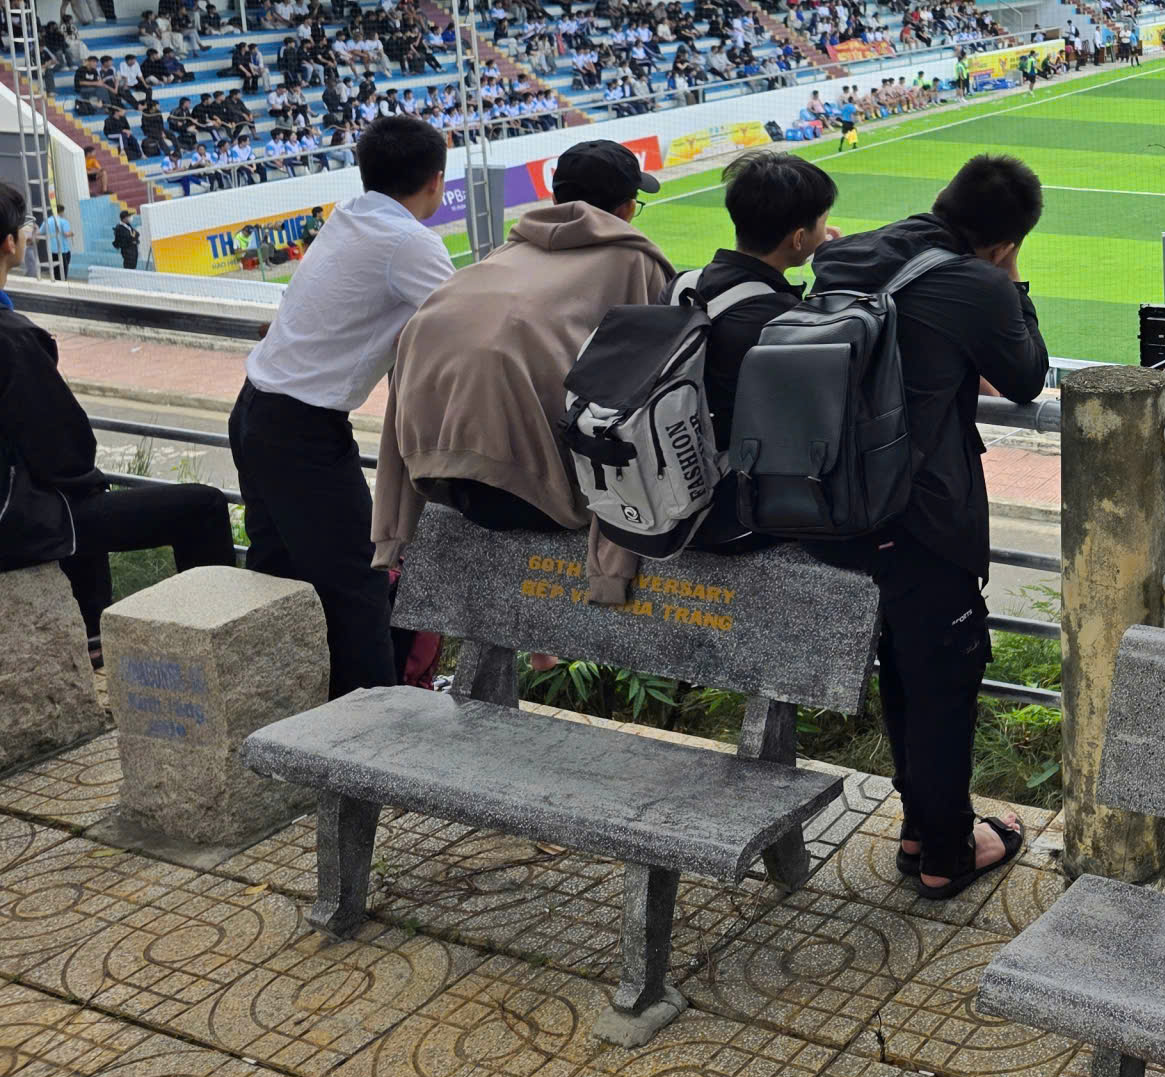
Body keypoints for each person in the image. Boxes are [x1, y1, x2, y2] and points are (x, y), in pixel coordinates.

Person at [809, 155, 1051, 899]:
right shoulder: (978, 280)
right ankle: (945, 853)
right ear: (1007, 241)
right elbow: (1026, 376)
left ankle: (920, 822)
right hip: (923, 513)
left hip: (838, 503)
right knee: (944, 679)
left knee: (902, 669)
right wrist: (1013, 285)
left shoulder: (849, 253)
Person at [370, 140, 673, 604]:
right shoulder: (637, 262)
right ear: (628, 208)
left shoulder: (501, 256)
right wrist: (611, 571)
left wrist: (391, 535)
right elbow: (641, 399)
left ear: (556, 199)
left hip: (436, 475)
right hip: (534, 494)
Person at [232, 117, 455, 695]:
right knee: (360, 584)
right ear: (436, 180)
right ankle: (370, 744)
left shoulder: (351, 215)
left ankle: (284, 712)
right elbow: (467, 319)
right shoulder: (409, 242)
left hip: (257, 411)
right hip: (300, 432)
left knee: (280, 574)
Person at [0, 181, 234, 650]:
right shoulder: (13, 339)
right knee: (203, 506)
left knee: (84, 493)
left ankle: (92, 628)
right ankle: (213, 652)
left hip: (20, 501)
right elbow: (66, 451)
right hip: (18, 518)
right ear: (10, 242)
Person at [692, 151, 840, 549]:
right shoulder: (779, 320)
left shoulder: (685, 286)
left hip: (682, 486)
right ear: (798, 238)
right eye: (822, 223)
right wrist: (836, 274)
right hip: (734, 513)